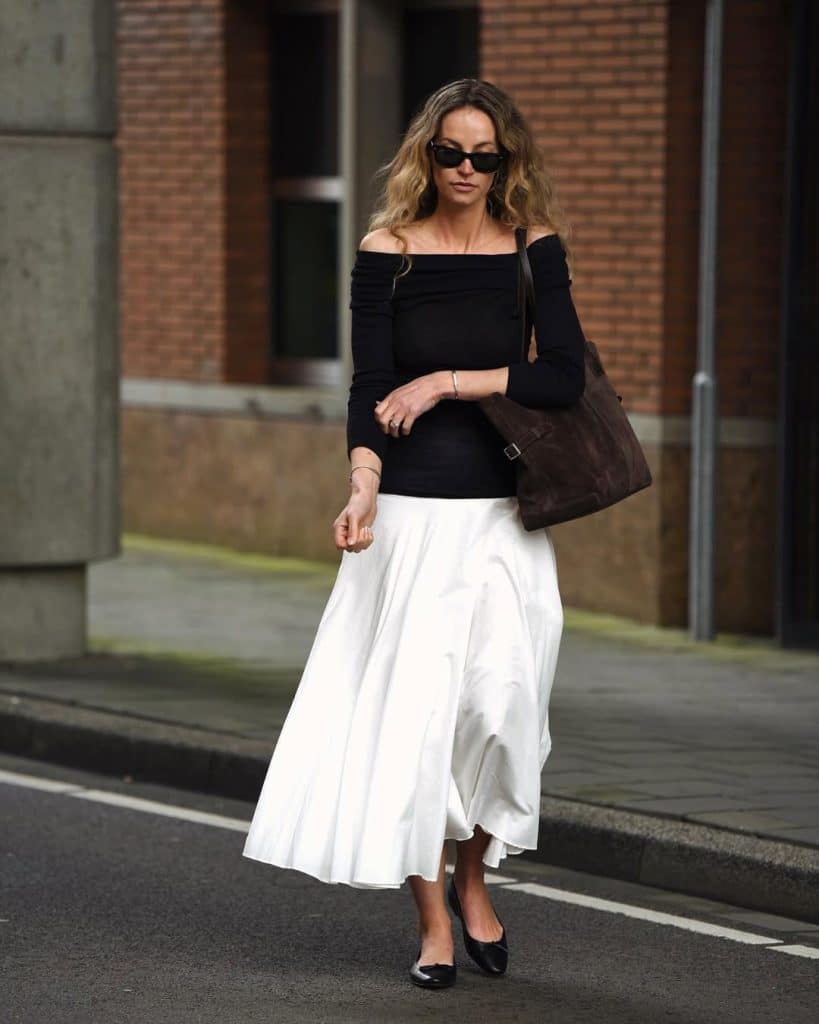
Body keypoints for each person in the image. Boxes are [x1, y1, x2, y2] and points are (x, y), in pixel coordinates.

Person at [242, 78, 586, 990]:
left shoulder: (532, 247)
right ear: (423, 156)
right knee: (417, 726)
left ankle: (473, 872)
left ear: (505, 161)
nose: (467, 169)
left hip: (504, 519)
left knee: (500, 712)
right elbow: (366, 386)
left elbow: (559, 379)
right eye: (449, 153)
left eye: (485, 155)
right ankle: (433, 917)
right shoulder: (386, 249)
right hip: (408, 518)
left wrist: (445, 382)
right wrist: (362, 485)